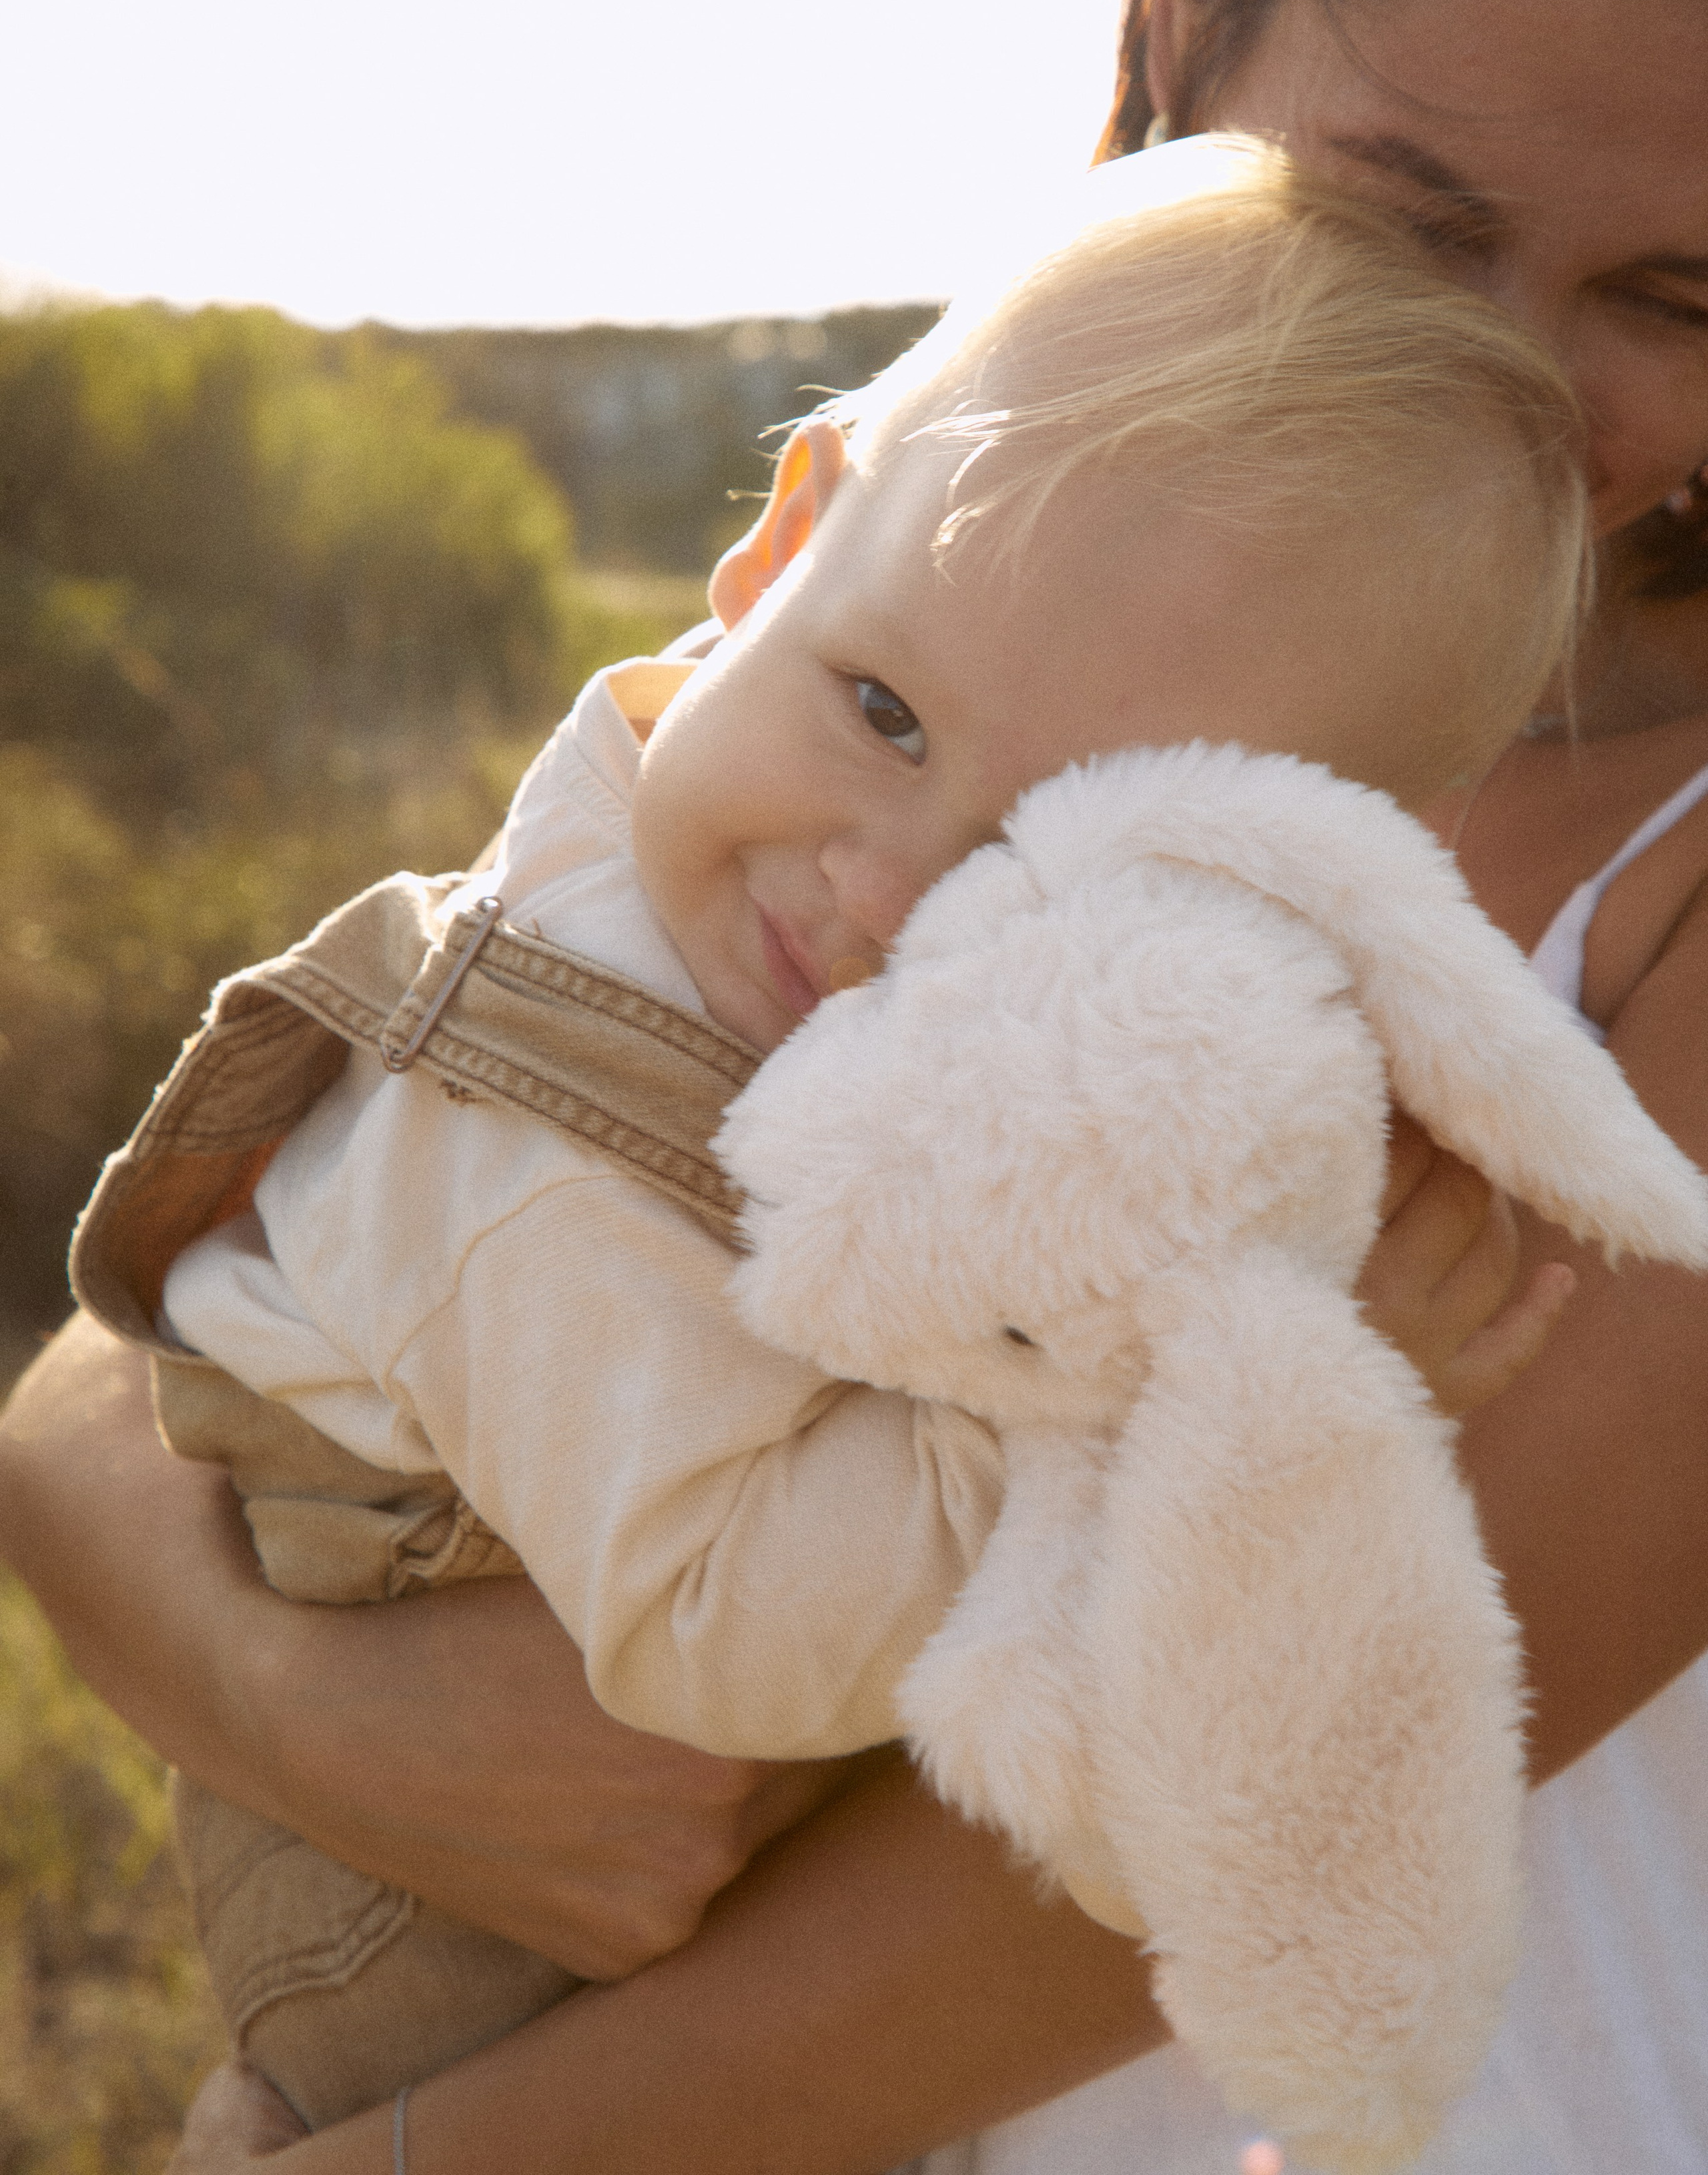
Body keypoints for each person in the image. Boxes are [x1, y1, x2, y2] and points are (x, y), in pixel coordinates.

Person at [3, 0, 1706, 2166]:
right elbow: (213, 1302)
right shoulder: (935, 644)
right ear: (1196, 17)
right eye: (1408, 218)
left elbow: (1009, 1932)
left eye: (1675, 298)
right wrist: (307, 1708)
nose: (1500, 386)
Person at [68, 144, 1585, 2136]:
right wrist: (1164, 1402)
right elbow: (715, 1627)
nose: (883, 902)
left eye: (1044, 886)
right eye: (883, 713)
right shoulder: (541, 1131)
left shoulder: (750, 973)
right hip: (441, 2035)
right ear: (783, 548)